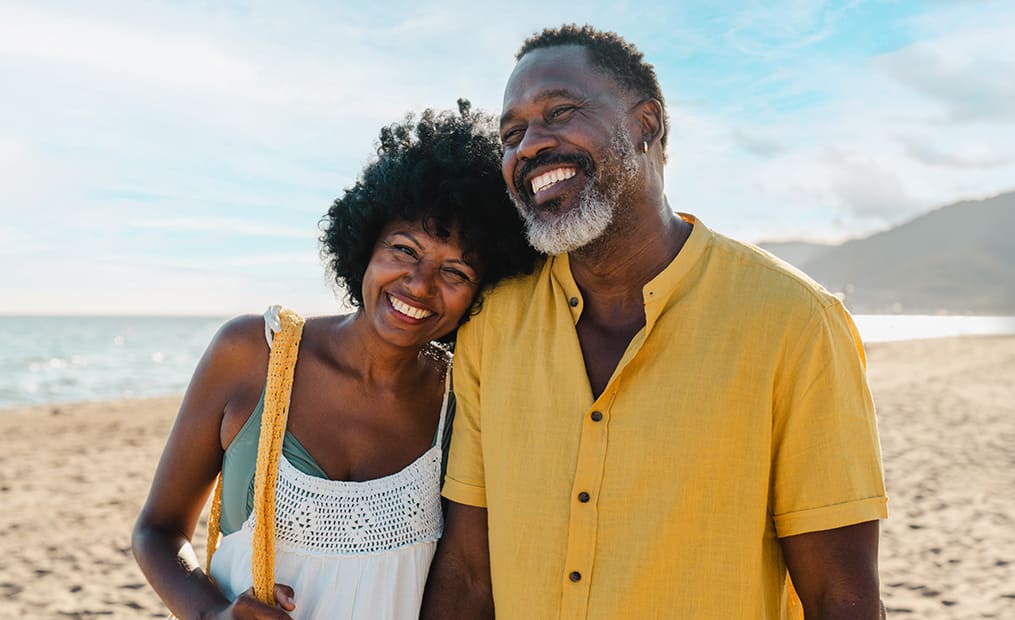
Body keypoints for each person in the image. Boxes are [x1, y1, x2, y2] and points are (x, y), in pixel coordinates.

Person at [421, 25, 888, 619]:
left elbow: (841, 597)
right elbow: (467, 574)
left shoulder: (796, 324)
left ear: (647, 124)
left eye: (559, 111)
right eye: (511, 135)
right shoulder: (493, 324)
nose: (529, 146)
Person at [132, 101, 538, 620]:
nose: (420, 285)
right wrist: (212, 615)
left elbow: (471, 577)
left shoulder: (463, 402)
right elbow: (157, 530)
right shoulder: (251, 355)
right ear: (365, 244)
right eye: (404, 250)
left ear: (482, 292)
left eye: (455, 272)